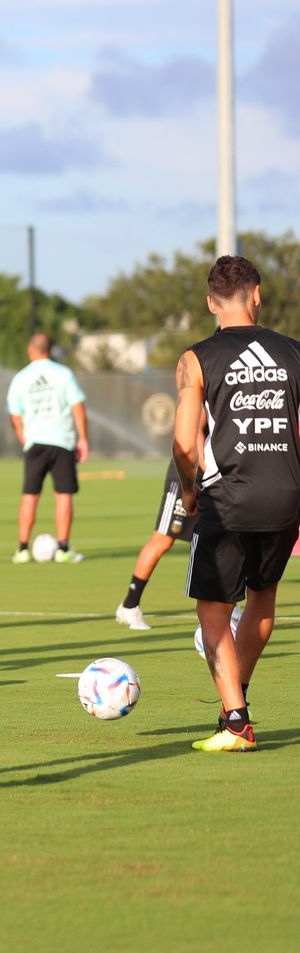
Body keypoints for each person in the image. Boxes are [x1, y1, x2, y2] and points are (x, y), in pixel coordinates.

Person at [173, 254, 300, 753]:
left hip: (229, 498)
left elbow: (186, 441)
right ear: (257, 294)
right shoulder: (293, 352)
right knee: (262, 600)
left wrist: (188, 492)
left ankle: (235, 721)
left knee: (213, 611)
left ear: (211, 304)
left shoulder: (196, 358)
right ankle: (236, 697)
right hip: (285, 495)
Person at [7, 333, 90, 563]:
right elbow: (78, 408)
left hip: (35, 443)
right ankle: (63, 548)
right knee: (63, 495)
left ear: (30, 350)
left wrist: (25, 439)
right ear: (50, 349)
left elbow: (14, 415)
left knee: (30, 495)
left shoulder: (21, 377)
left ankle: (22, 549)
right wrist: (83, 439)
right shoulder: (63, 374)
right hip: (62, 441)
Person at [113, 460, 194, 630]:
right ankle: (130, 604)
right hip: (186, 475)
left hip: (216, 477)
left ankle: (228, 605)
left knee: (216, 540)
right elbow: (184, 442)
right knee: (163, 539)